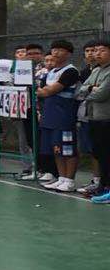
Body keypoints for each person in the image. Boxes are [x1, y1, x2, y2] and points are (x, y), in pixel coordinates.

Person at [36, 40, 81, 193]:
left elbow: (49, 91)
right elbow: (40, 91)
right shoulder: (50, 72)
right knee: (56, 149)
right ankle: (61, 178)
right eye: (54, 49)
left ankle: (70, 180)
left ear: (68, 54)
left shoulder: (70, 71)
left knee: (67, 149)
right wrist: (45, 91)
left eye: (60, 50)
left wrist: (46, 91)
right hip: (49, 115)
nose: (55, 52)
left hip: (64, 115)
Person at [77, 40, 110, 203]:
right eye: (96, 50)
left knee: (107, 154)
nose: (97, 53)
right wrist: (91, 88)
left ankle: (107, 187)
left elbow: (101, 94)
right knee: (99, 154)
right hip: (93, 117)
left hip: (106, 118)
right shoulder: (96, 70)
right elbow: (80, 91)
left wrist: (91, 90)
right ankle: (103, 185)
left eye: (102, 50)